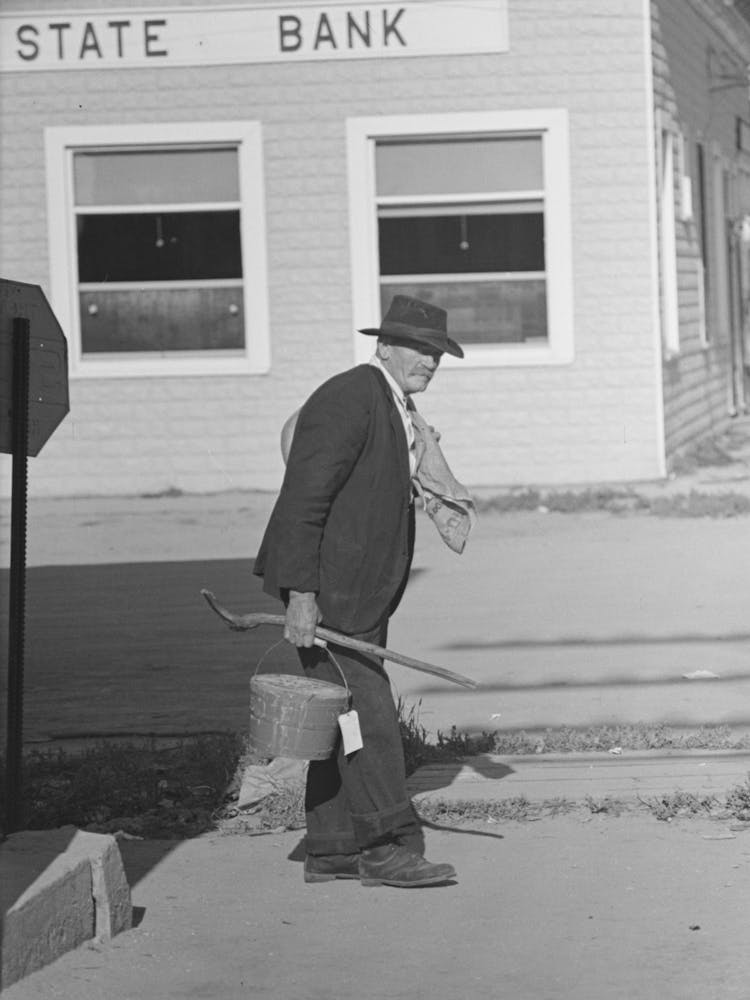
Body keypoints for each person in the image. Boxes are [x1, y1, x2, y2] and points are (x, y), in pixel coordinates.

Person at [253, 294, 465, 888]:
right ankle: (384, 844)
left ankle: (332, 848)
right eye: (419, 348)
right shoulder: (351, 395)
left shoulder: (391, 404)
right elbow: (303, 500)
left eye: (438, 352)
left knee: (334, 716)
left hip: (356, 596)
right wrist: (300, 593)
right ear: (384, 346)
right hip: (330, 597)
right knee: (367, 715)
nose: (429, 361)